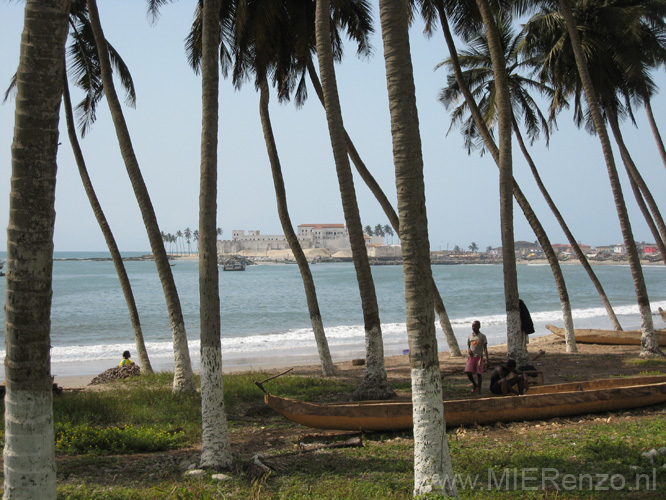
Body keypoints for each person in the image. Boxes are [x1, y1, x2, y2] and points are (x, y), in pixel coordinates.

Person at [465, 320, 489, 394]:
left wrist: (487, 359)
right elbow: (469, 346)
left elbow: (485, 349)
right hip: (471, 357)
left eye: (475, 326)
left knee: (479, 374)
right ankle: (475, 385)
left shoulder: (482, 336)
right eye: (472, 326)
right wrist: (469, 351)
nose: (473, 327)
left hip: (479, 357)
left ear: (479, 327)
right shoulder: (470, 336)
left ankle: (479, 390)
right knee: (468, 371)